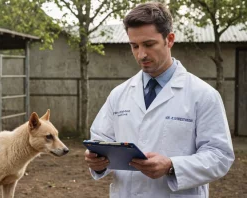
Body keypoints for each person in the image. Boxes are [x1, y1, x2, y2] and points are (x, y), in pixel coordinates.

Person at [84, 2, 235, 198]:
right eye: (134, 46)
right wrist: (96, 161)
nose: (141, 54)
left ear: (169, 39)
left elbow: (220, 156)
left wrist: (172, 166)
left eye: (149, 44)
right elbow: (100, 139)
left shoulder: (203, 95)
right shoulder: (119, 94)